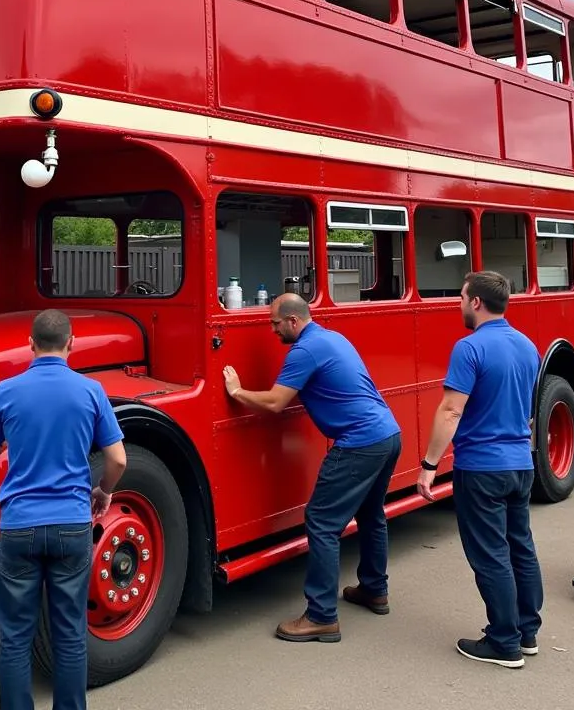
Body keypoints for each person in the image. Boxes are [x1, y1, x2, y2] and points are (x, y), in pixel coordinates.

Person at [223, 293, 401, 643]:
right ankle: (374, 590)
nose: (272, 330)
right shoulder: (332, 337)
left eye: (275, 323)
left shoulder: (304, 350)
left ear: (292, 321)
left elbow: (275, 402)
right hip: (388, 434)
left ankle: (321, 616)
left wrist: (238, 391)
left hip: (359, 442)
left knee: (321, 522)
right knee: (371, 514)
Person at [0, 309, 127, 710]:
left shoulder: (6, 390)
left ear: (30, 344)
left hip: (19, 527)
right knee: (69, 634)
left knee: (14, 638)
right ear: (71, 344)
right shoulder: (91, 391)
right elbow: (117, 459)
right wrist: (103, 492)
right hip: (71, 526)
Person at [416, 270, 543, 670]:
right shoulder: (527, 346)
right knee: (520, 546)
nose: (458, 303)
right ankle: (527, 633)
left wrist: (429, 465)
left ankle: (503, 642)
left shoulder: (469, 348)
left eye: (460, 297)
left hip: (482, 468)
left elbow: (452, 409)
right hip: (521, 464)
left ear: (475, 302)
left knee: (491, 555)